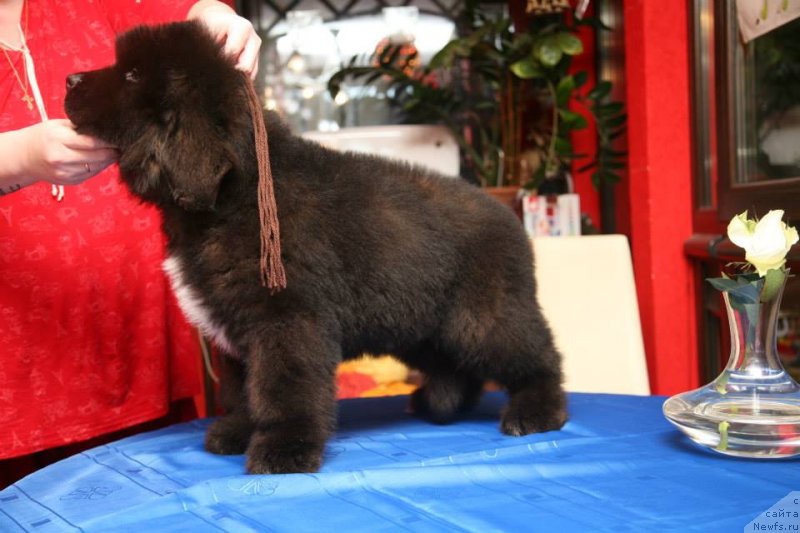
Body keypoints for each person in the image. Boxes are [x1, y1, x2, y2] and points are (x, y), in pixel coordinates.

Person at [0, 0, 261, 479]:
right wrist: (15, 155)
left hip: (136, 343)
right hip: (15, 374)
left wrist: (214, 20)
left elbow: (181, 12)